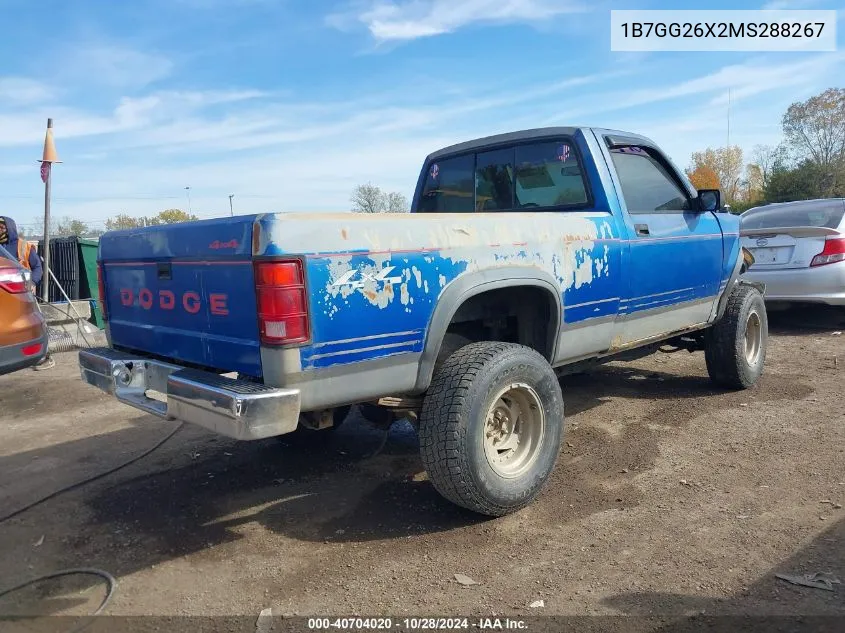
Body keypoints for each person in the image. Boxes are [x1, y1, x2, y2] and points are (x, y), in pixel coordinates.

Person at [0, 216, 55, 370]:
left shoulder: (24, 246)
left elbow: (37, 267)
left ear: (9, 228)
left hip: (24, 291)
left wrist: (33, 283)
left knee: (33, 322)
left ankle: (44, 357)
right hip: (7, 294)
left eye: (1, 228)